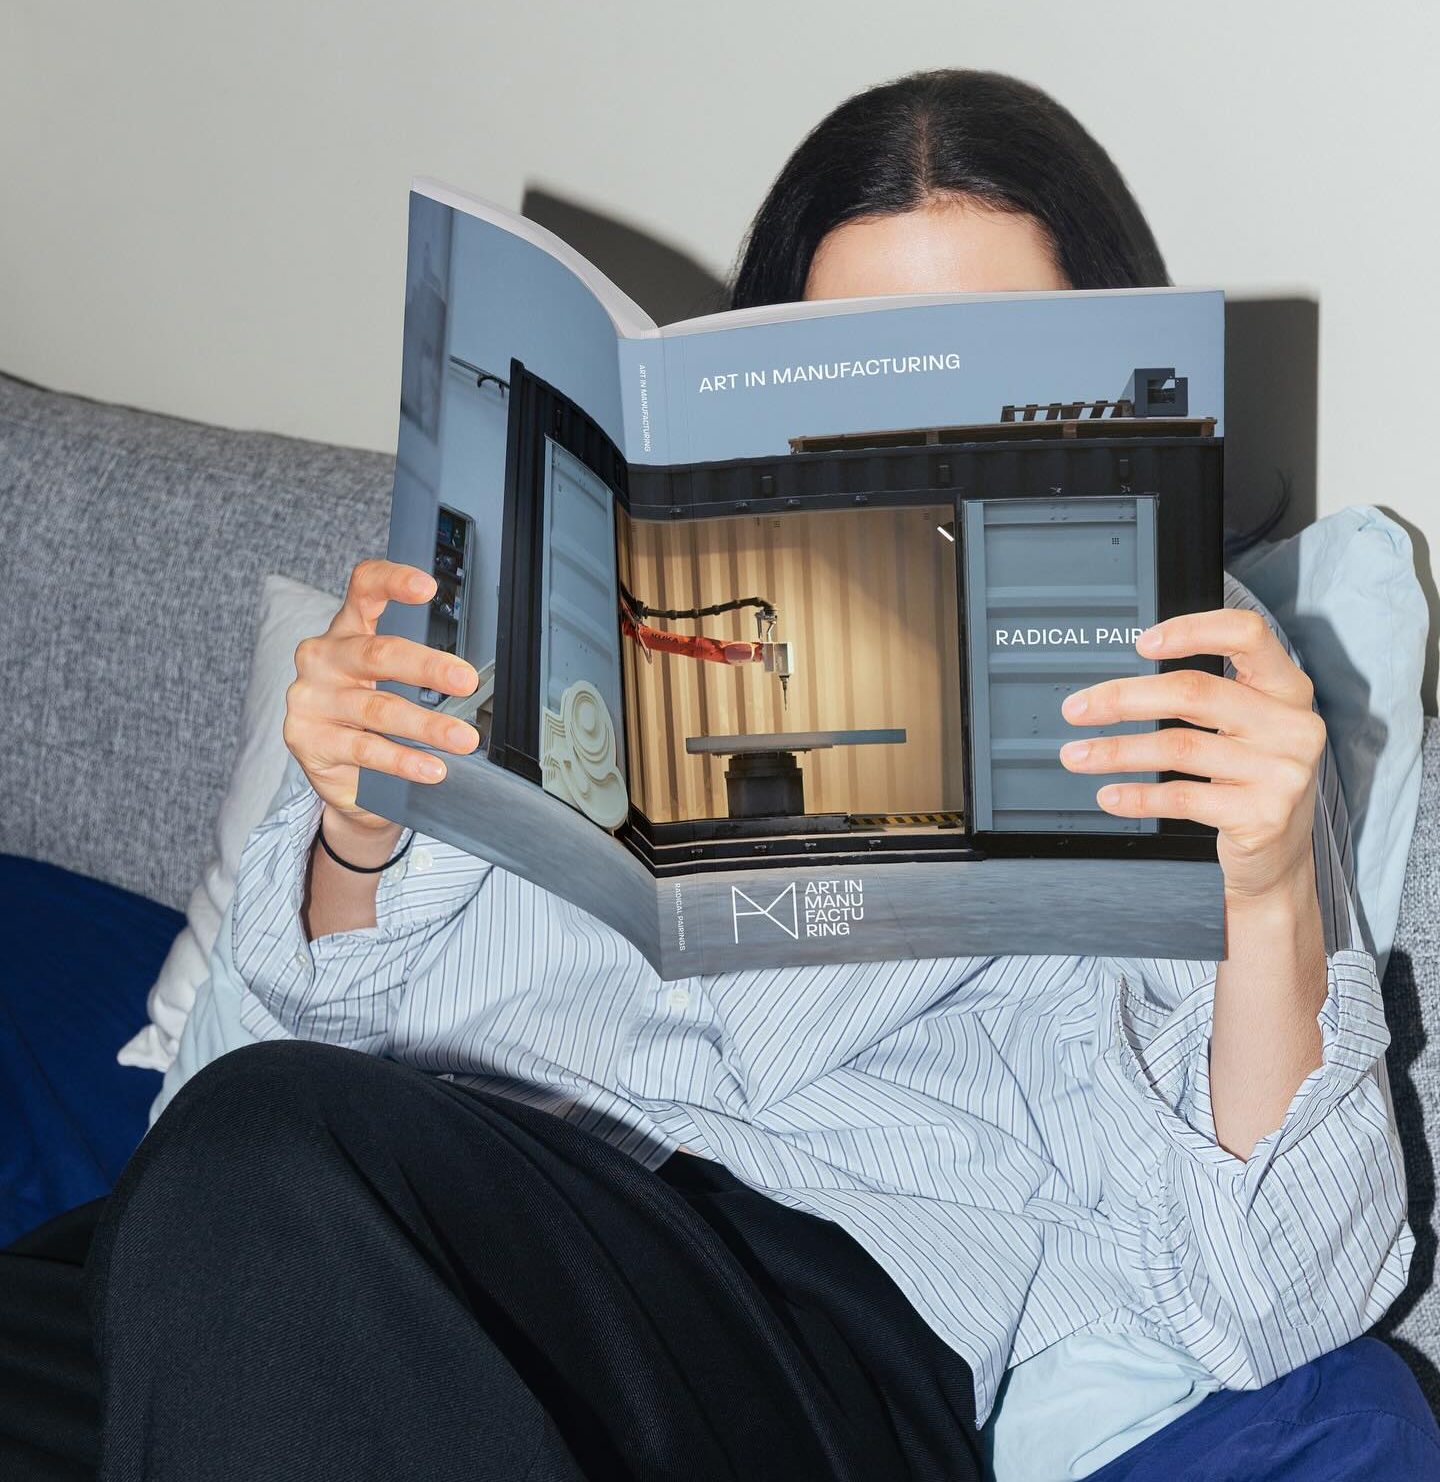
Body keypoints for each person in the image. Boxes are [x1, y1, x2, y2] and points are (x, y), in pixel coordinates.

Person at [3, 68, 1436, 1482]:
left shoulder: (1192, 722)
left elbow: (1270, 1300)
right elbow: (272, 1047)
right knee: (187, 1225)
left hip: (784, 1342)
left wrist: (1265, 896)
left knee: (259, 1175)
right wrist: (358, 828)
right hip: (351, 1226)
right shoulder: (570, 620)